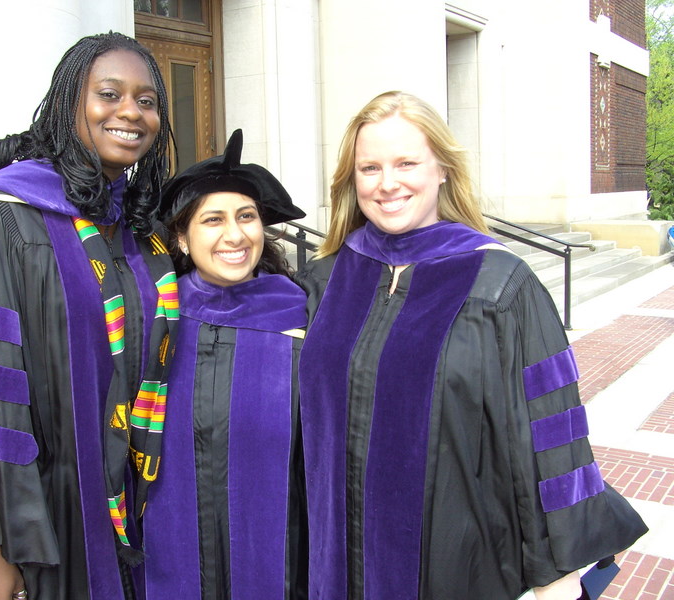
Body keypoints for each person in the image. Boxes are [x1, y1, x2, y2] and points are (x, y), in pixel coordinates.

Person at [296, 91, 648, 600]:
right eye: (369, 167)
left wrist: (557, 574)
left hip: (457, 563)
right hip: (334, 562)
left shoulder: (501, 286)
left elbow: (548, 433)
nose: (387, 183)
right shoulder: (325, 281)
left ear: (442, 169)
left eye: (406, 163)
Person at [0, 32, 177, 600]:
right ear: (67, 104)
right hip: (40, 518)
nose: (131, 112)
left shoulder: (136, 228)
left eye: (147, 100)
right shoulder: (2, 218)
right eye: (109, 94)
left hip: (131, 507)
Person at [142, 129, 308, 599]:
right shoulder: (155, 321)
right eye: (213, 220)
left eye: (246, 216)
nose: (235, 235)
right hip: (169, 551)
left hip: (282, 555)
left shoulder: (303, 318)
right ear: (181, 237)